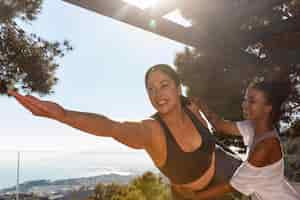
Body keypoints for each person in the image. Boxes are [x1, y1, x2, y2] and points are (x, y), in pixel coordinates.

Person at [9, 64, 241, 199]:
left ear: (178, 88)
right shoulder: (151, 131)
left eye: (164, 85)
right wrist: (63, 115)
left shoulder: (191, 106)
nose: (157, 94)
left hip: (223, 163)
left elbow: (210, 126)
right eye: (150, 89)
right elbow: (110, 127)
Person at [191, 79, 300, 200]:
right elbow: (219, 125)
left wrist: (191, 197)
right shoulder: (253, 127)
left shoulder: (266, 146)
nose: (244, 105)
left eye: (252, 101)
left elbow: (231, 186)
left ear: (268, 108)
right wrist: (200, 104)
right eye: (245, 99)